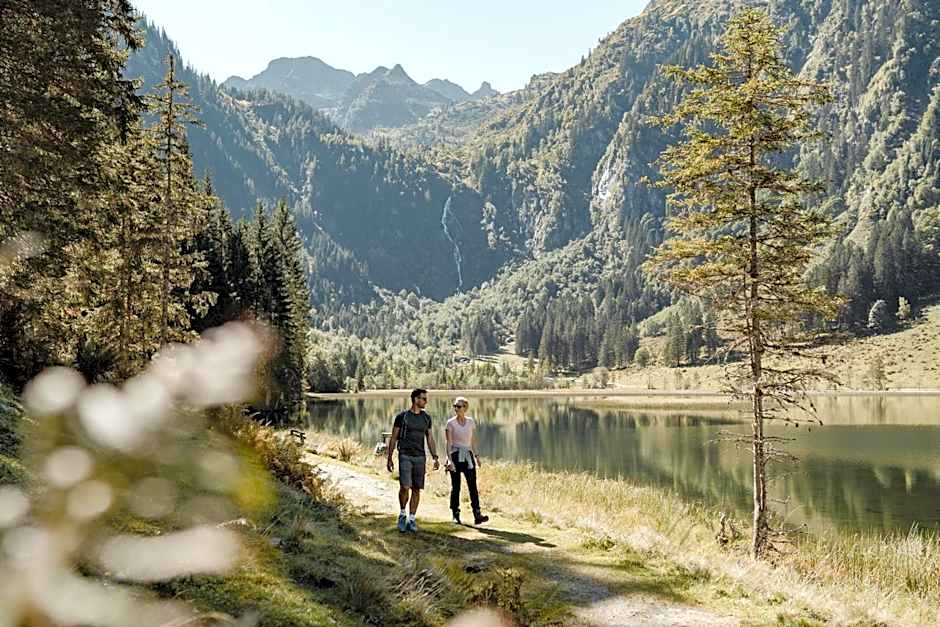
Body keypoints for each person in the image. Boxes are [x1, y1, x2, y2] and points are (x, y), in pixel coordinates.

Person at [386, 388, 440, 533]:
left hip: (420, 457)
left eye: (426, 399)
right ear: (415, 399)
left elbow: (429, 438)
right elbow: (393, 437)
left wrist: (435, 456)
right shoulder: (402, 417)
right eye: (423, 399)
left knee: (417, 488)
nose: (426, 401)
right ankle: (402, 514)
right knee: (405, 486)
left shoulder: (426, 418)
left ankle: (412, 518)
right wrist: (389, 457)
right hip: (404, 455)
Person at [444, 396, 488, 525]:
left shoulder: (470, 422)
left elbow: (472, 441)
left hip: (468, 456)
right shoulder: (450, 423)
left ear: (465, 408)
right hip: (455, 455)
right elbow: (448, 443)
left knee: (472, 486)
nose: (456, 409)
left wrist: (477, 456)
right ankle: (455, 514)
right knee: (456, 486)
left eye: (459, 406)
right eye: (455, 406)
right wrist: (449, 461)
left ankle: (477, 514)